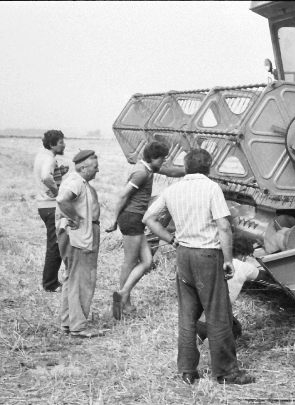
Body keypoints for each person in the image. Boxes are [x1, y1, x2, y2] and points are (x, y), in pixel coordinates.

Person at [143, 148, 255, 385]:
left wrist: (170, 239)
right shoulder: (211, 188)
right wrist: (227, 259)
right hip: (207, 255)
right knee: (218, 314)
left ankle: (187, 370)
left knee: (187, 315)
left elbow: (149, 219)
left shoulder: (172, 189)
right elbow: (224, 227)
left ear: (185, 167)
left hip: (183, 255)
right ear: (209, 166)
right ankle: (226, 372)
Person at [106, 141, 185, 320]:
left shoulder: (147, 168)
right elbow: (123, 195)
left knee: (147, 261)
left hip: (136, 219)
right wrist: (114, 220)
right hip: (132, 218)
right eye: (162, 159)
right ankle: (123, 302)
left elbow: (171, 172)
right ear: (154, 158)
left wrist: (191, 171)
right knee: (130, 261)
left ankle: (123, 293)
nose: (164, 162)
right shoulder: (141, 172)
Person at [56, 150, 105, 338]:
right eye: (94, 167)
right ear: (83, 167)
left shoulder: (78, 181)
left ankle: (68, 323)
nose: (97, 171)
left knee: (73, 278)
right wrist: (75, 218)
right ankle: (79, 326)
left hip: (79, 233)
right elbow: (62, 199)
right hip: (80, 235)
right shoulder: (76, 181)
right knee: (82, 280)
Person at [196, 234, 271, 342]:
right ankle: (210, 337)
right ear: (245, 254)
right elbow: (266, 276)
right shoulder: (244, 266)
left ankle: (200, 333)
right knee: (235, 330)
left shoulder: (216, 259)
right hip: (215, 321)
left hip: (199, 314)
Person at [33, 130, 69, 292]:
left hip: (43, 206)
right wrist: (57, 192)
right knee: (55, 245)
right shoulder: (49, 158)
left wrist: (60, 172)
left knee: (54, 243)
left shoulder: (41, 156)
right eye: (61, 142)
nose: (64, 145)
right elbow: (46, 177)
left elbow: (48, 175)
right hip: (51, 205)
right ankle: (50, 284)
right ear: (53, 144)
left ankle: (50, 281)